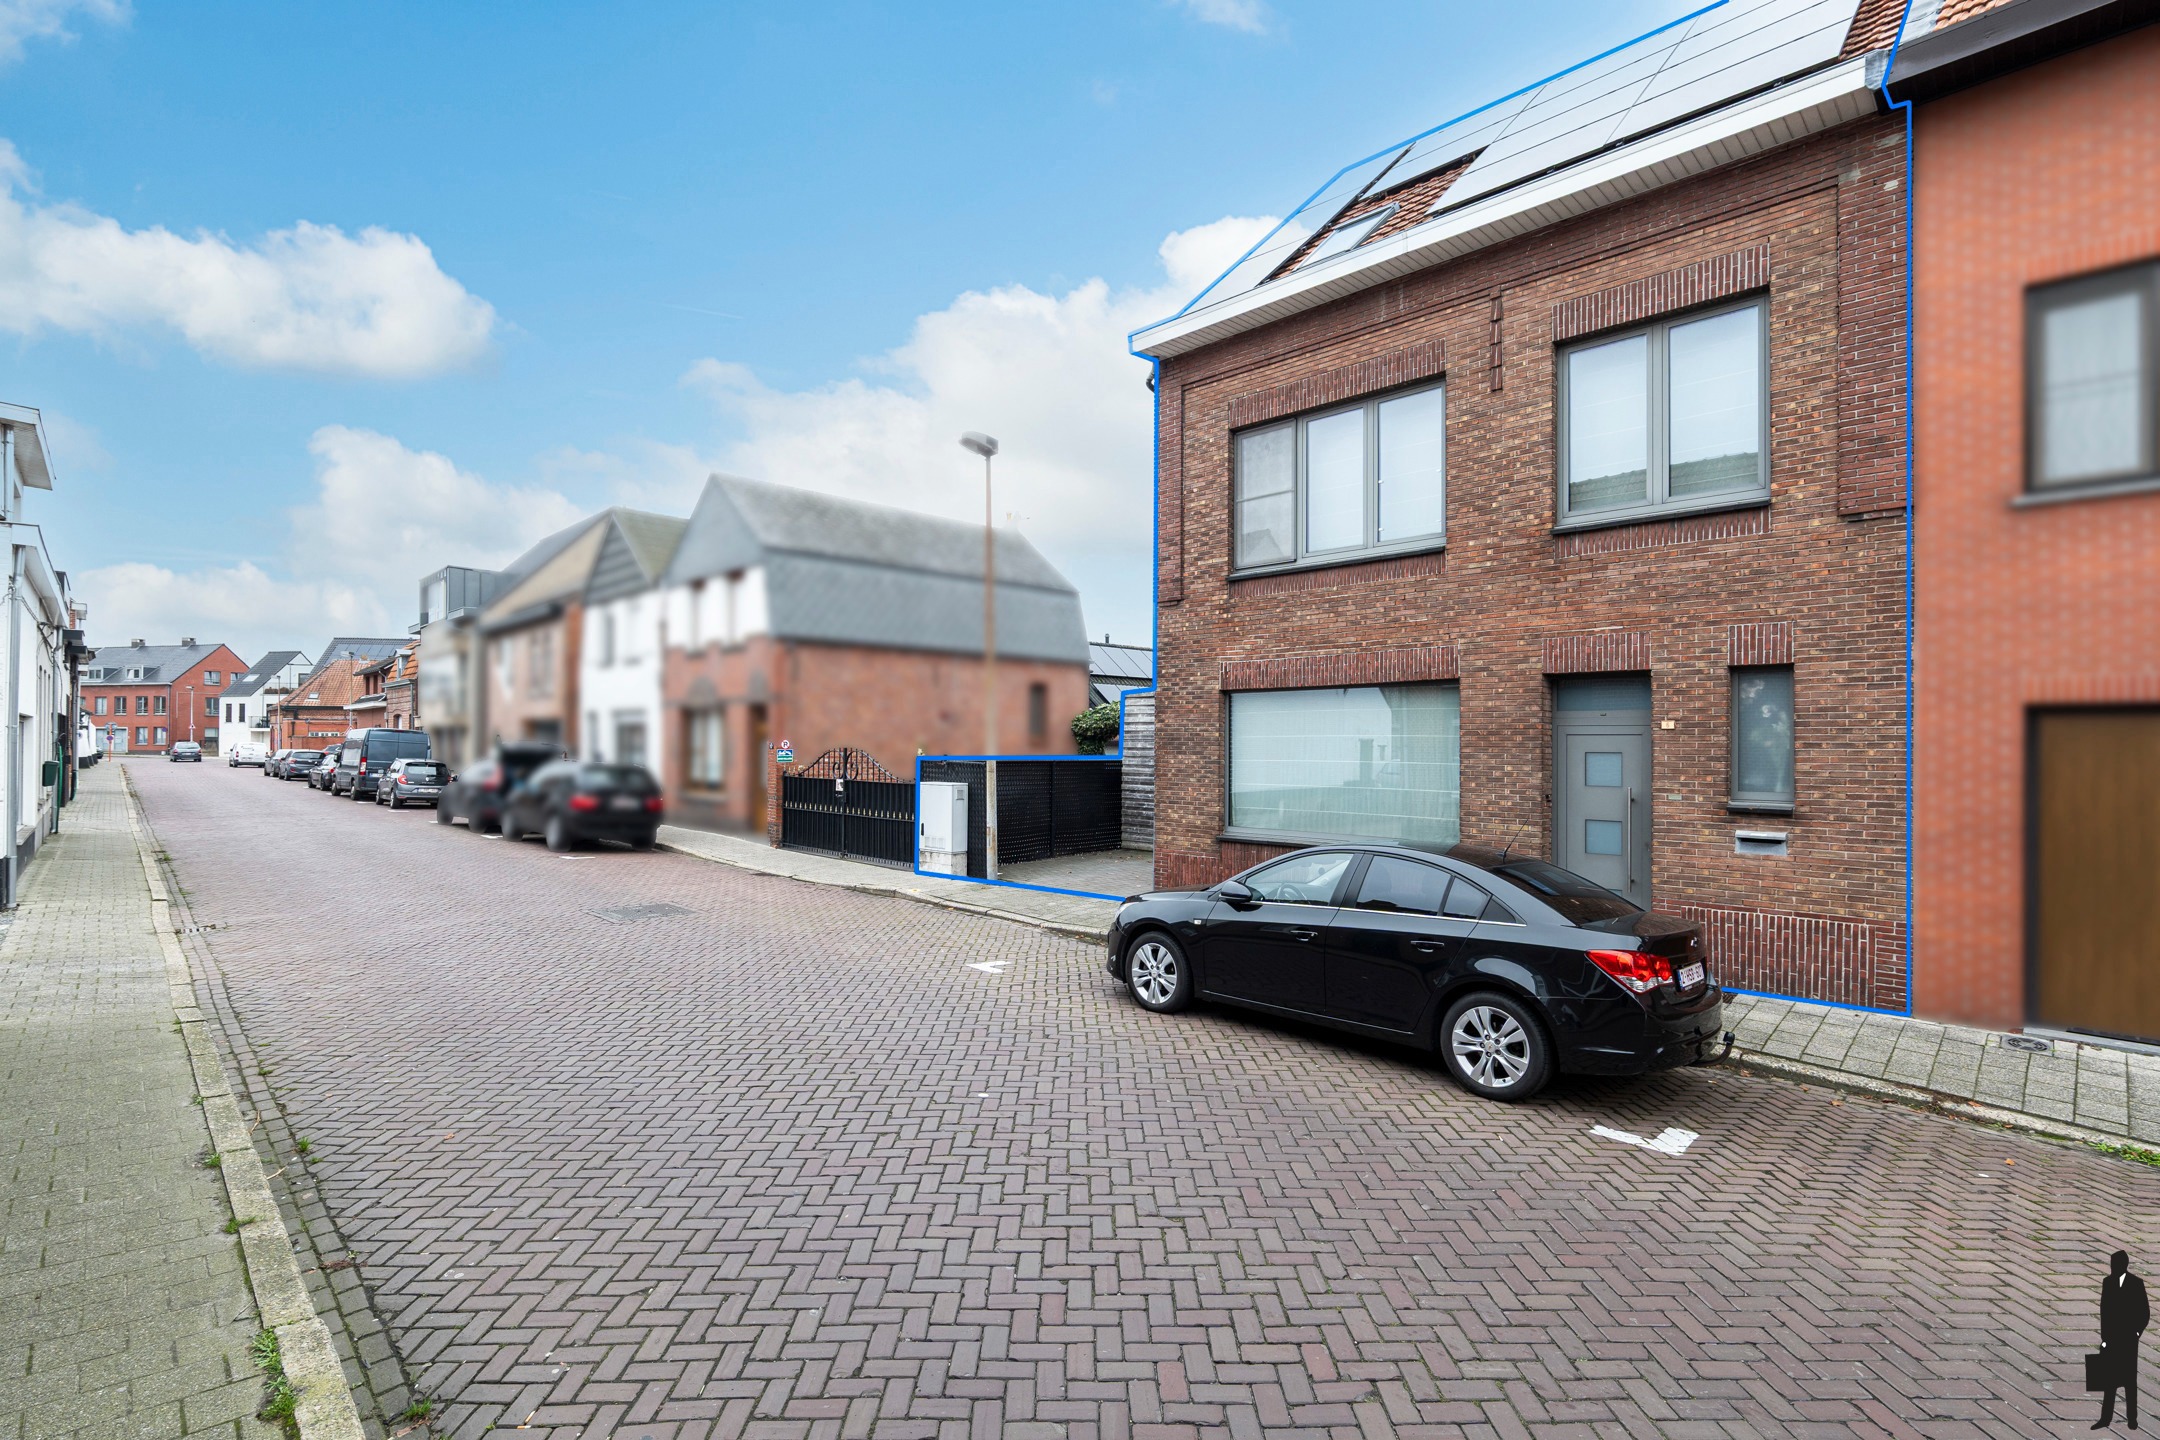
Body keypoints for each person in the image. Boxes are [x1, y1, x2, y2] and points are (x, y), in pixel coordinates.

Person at [2099, 1250, 2149, 1430]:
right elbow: (2104, 1312)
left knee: (2129, 1382)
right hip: (2112, 1340)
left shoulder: (2136, 1284)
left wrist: (2136, 1333)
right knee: (2109, 1381)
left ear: (2123, 1265)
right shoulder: (2108, 1282)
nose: (2112, 1267)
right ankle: (2105, 1419)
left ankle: (2132, 1419)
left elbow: (2144, 1312)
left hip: (2128, 1341)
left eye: (2115, 1264)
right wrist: (2104, 1338)